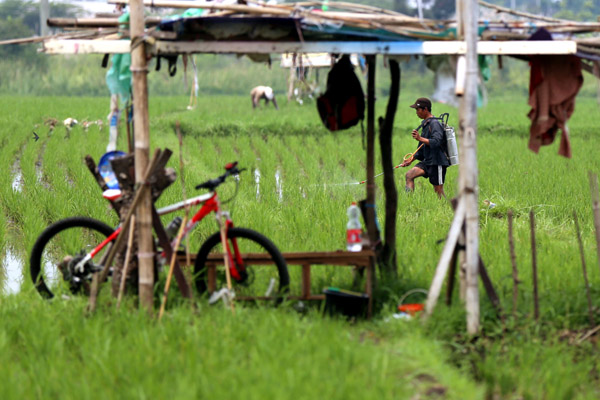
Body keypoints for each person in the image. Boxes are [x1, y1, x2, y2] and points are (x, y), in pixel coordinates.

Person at [400, 97, 449, 199]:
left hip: (437, 162)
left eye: (418, 110)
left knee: (438, 191)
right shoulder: (426, 124)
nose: (417, 112)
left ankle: (447, 209)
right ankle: (408, 202)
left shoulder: (435, 124)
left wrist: (420, 138)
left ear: (425, 109)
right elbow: (421, 149)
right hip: (427, 161)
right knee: (409, 175)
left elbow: (436, 142)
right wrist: (410, 160)